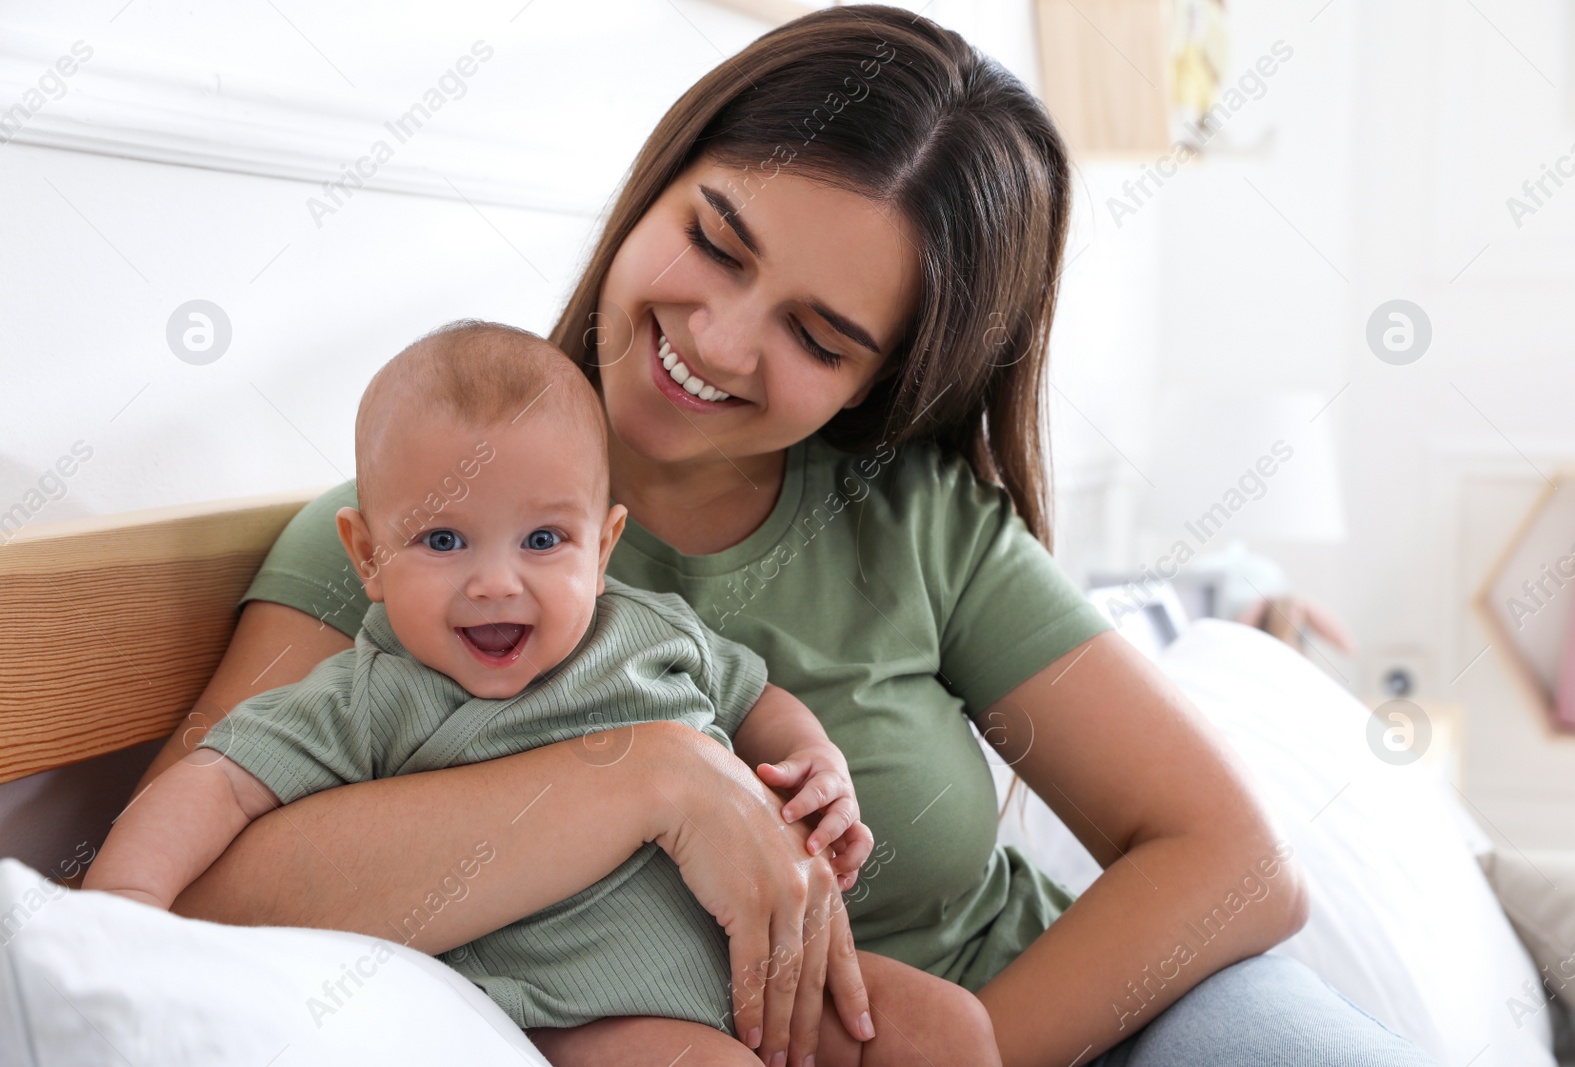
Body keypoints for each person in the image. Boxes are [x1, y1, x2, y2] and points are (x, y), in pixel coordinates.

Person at [136, 6, 1441, 1066]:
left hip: (1075, 1023)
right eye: (715, 241)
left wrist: (979, 1043)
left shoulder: (924, 523)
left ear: (883, 380)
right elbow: (195, 902)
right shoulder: (411, 540)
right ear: (661, 181)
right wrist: (640, 775)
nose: (717, 339)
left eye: (820, 337)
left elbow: (1231, 864)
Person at [87, 322, 1001, 1066]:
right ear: (365, 555)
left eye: (543, 541)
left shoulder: (653, 633)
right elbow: (217, 781)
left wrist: (818, 760)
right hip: (577, 1013)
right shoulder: (369, 697)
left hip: (761, 970)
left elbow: (760, 696)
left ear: (603, 548)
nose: (495, 583)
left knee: (950, 1028)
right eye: (444, 541)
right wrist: (121, 907)